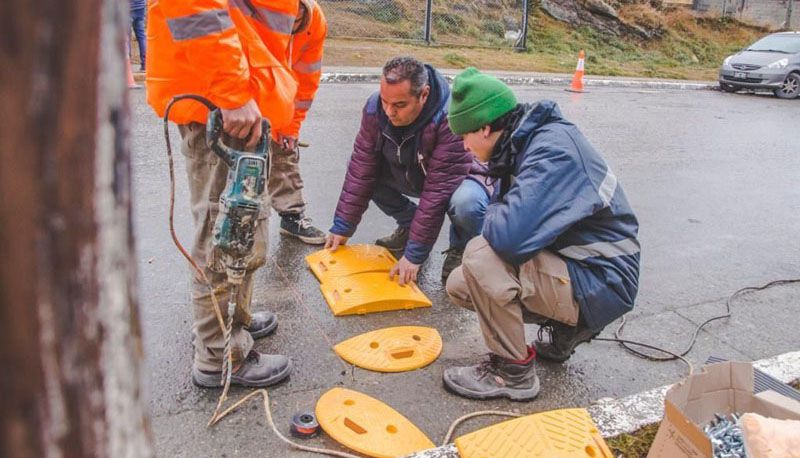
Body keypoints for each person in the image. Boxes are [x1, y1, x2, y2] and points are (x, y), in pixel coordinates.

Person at [442, 68, 640, 401]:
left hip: (604, 278)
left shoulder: (551, 151)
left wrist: (496, 208)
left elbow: (508, 239)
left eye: (464, 136)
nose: (464, 146)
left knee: (480, 255)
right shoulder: (522, 144)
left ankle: (512, 372)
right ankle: (567, 327)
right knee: (461, 284)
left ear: (485, 128)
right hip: (582, 267)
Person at [146, 0, 304, 388]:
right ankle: (220, 355)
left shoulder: (306, 16)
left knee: (243, 229)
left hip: (240, 106)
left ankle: (235, 321)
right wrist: (232, 93)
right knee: (225, 235)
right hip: (223, 106)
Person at [325, 56, 489, 284]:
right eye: (385, 101)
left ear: (424, 94)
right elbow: (361, 168)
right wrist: (342, 226)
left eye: (400, 105)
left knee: (467, 204)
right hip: (413, 171)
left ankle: (462, 248)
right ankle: (409, 224)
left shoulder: (449, 118)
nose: (389, 111)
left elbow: (437, 192)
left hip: (458, 178)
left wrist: (414, 256)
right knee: (367, 176)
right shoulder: (375, 108)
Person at [269, 0, 328, 245]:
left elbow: (306, 82)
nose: (288, 27)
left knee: (284, 150)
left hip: (281, 95)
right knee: (241, 161)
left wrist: (291, 128)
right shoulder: (259, 11)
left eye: (295, 21)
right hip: (246, 92)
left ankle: (291, 216)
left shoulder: (315, 23)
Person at [130, 0, 147, 71]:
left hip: (128, 8)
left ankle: (128, 66)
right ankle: (145, 64)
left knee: (126, 37)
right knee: (141, 36)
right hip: (140, 7)